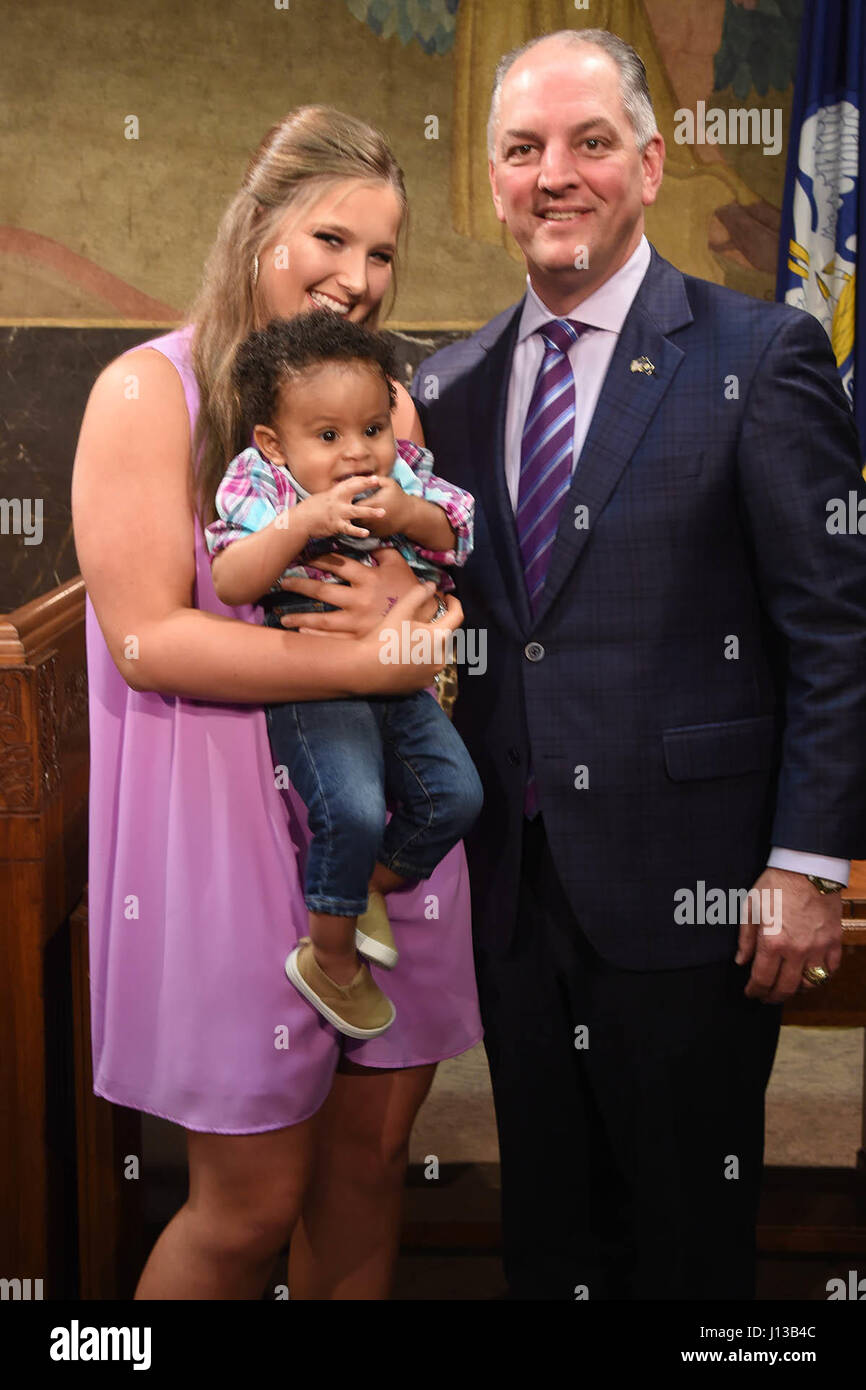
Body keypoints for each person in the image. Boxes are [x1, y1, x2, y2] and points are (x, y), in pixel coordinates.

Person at [298, 29, 866, 1300]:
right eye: (520, 149)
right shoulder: (443, 386)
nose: (553, 175)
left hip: (698, 895)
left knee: (684, 1242)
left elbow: (833, 629)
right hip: (514, 888)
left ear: (650, 165)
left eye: (588, 143)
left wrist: (806, 862)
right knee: (549, 1237)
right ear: (494, 179)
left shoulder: (759, 354)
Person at [71, 105, 482, 1301]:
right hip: (221, 833)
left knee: (367, 1169)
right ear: (258, 229)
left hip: (390, 838)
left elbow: (419, 591)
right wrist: (370, 665)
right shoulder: (148, 395)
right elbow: (150, 641)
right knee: (246, 1208)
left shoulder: (385, 412)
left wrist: (429, 631)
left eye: (385, 253)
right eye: (331, 240)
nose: (358, 279)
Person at [206, 311, 483, 1038]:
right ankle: (328, 958)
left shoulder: (404, 478)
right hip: (316, 678)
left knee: (455, 796)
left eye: (371, 429)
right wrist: (298, 525)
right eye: (328, 437)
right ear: (275, 443)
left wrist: (411, 515)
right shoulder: (261, 484)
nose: (358, 453)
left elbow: (461, 533)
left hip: (399, 674)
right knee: (353, 806)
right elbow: (233, 579)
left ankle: (366, 885)